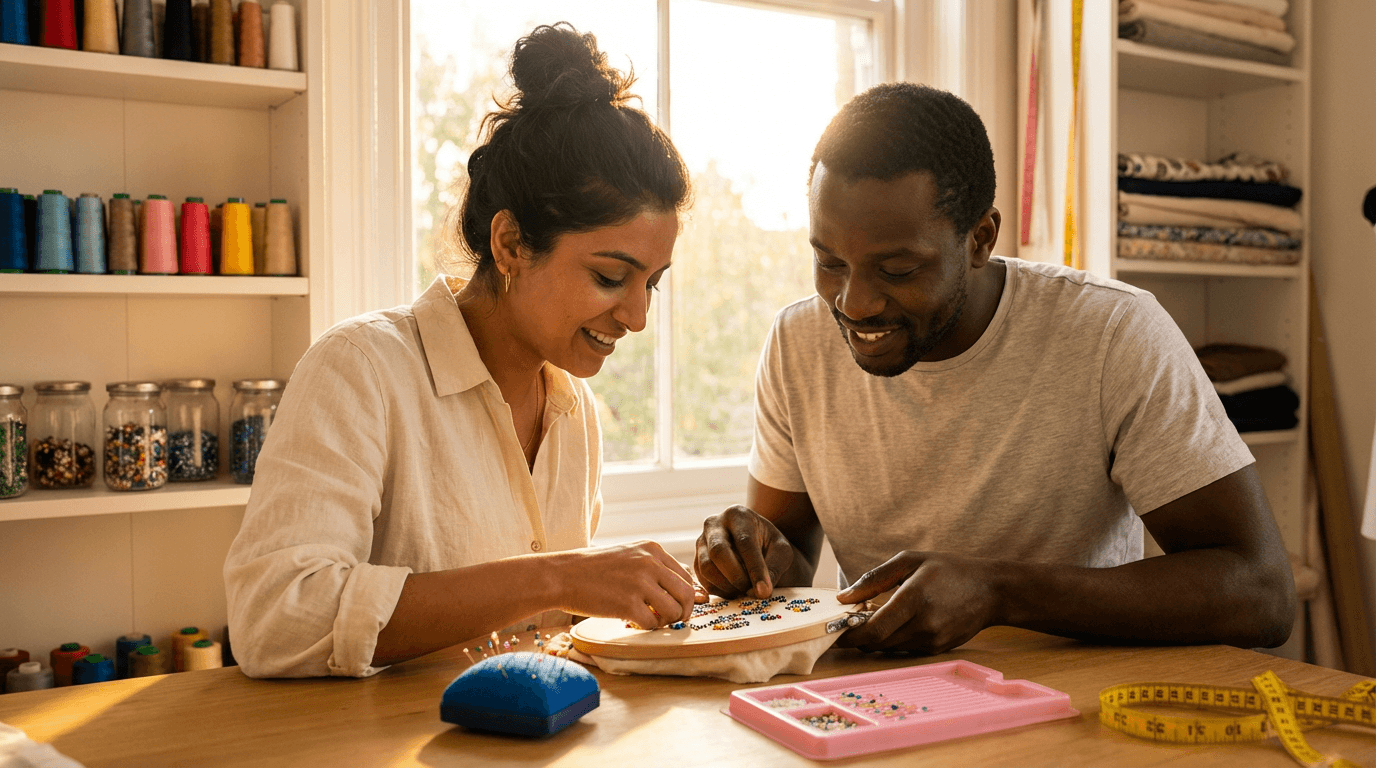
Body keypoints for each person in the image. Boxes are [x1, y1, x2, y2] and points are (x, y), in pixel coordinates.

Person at [694, 83, 1296, 654]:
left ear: (981, 238)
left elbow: (1262, 594)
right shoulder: (798, 341)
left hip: (1078, 710)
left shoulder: (1112, 333)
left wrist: (1000, 593)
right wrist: (753, 560)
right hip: (886, 704)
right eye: (829, 263)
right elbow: (792, 559)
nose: (854, 303)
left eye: (897, 270)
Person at [224, 23, 700, 678]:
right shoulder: (360, 369)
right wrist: (559, 577)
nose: (639, 316)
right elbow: (275, 618)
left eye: (651, 283)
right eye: (610, 278)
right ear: (509, 245)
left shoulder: (574, 412)